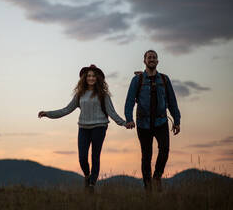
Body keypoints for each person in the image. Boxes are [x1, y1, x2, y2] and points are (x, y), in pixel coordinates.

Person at [38, 64, 127, 193]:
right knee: (82, 158)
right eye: (89, 76)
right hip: (83, 128)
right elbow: (66, 109)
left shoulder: (103, 95)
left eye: (93, 76)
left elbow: (112, 112)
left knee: (95, 156)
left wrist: (124, 123)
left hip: (99, 127)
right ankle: (87, 176)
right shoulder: (80, 95)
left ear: (98, 79)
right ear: (85, 78)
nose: (91, 78)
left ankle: (91, 185)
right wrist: (48, 114)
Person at [124, 50, 181, 192]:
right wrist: (129, 119)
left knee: (165, 150)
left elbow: (172, 101)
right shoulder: (137, 80)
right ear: (144, 61)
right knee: (146, 156)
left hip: (161, 122)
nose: (152, 59)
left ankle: (157, 177)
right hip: (143, 123)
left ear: (157, 61)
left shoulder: (164, 79)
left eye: (154, 57)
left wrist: (177, 120)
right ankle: (148, 189)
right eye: (149, 57)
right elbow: (130, 101)